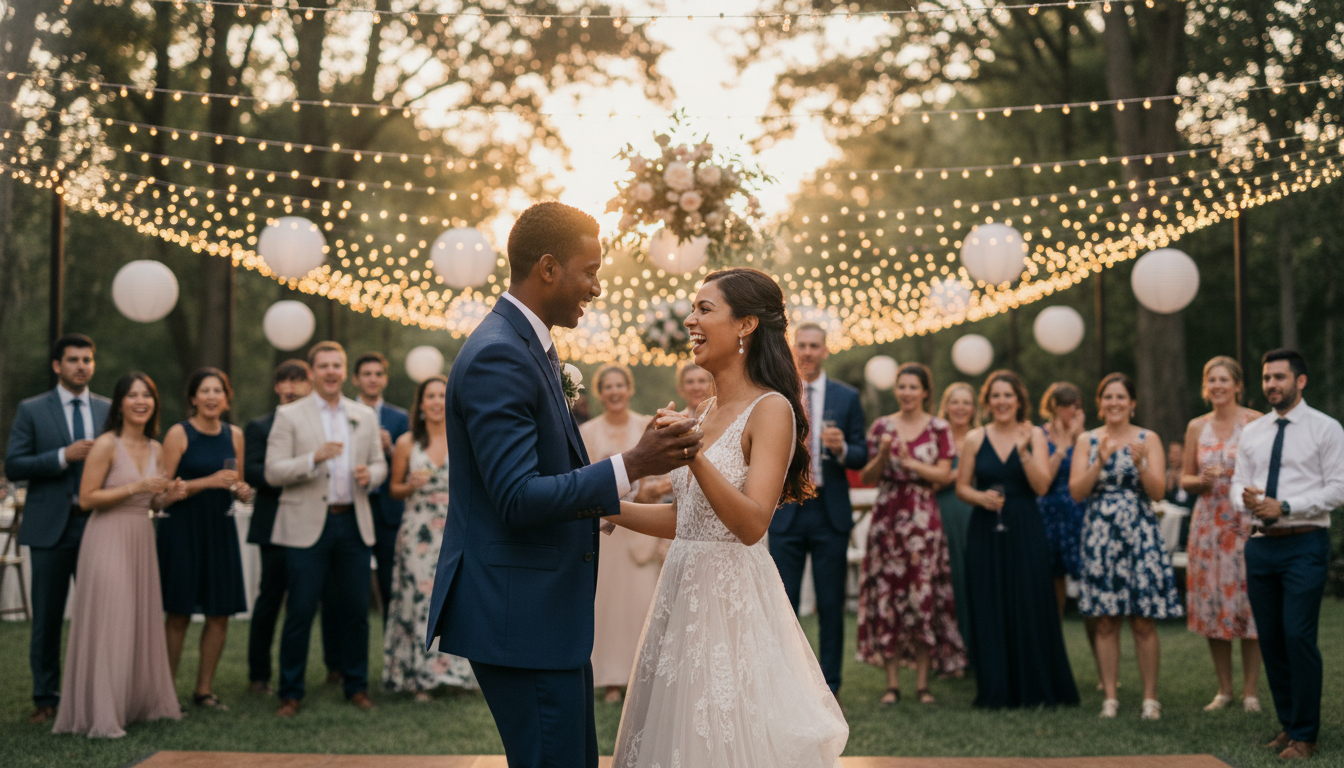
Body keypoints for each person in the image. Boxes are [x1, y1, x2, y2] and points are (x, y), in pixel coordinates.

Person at [424, 202, 700, 768]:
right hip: (518, 614)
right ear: (548, 268)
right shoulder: (499, 354)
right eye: (590, 270)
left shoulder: (529, 347)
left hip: (544, 614)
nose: (596, 287)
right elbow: (519, 497)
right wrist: (634, 462)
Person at [609, 267, 847, 766]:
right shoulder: (702, 409)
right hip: (680, 590)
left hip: (731, 599)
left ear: (745, 325)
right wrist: (605, 507)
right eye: (692, 310)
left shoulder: (771, 409)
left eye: (704, 309)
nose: (690, 321)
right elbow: (687, 520)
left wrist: (692, 454)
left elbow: (751, 523)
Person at [52, 373, 184, 737]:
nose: (140, 401)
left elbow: (152, 502)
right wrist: (137, 486)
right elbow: (87, 498)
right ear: (119, 403)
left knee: (138, 619)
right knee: (112, 618)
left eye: (147, 395)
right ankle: (103, 713)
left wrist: (167, 496)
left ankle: (136, 702)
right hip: (107, 536)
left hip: (141, 536)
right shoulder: (106, 445)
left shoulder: (157, 449)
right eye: (133, 395)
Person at [1232, 349, 1344, 760]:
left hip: (1305, 543)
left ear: (1301, 381)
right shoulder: (1254, 431)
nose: (1271, 385)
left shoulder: (1326, 429)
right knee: (1274, 640)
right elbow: (1237, 483)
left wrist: (1286, 506)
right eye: (1266, 378)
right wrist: (1247, 502)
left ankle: (1306, 735)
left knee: (1298, 635)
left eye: (1279, 377)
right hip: (1261, 546)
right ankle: (1289, 725)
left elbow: (1338, 488)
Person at [265, 340, 387, 717]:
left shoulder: (363, 415)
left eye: (337, 365)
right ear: (312, 372)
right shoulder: (289, 416)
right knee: (300, 610)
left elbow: (380, 464)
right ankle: (290, 691)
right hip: (306, 525)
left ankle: (356, 686)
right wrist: (312, 458)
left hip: (353, 521)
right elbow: (272, 471)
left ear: (343, 370)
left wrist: (373, 475)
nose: (331, 372)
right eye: (324, 366)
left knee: (355, 610)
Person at [955, 371, 1079, 709]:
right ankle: (996, 688)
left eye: (1008, 395)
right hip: (985, 527)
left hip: (1025, 525)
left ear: (1019, 400)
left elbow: (1041, 486)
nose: (1001, 402)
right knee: (989, 602)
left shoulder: (1034, 435)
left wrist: (1023, 452)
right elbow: (962, 486)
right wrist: (980, 498)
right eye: (995, 396)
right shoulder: (975, 438)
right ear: (988, 401)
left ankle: (1034, 687)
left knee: (1028, 601)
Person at [5, 334, 110, 725]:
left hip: (99, 526)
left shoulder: (109, 409)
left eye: (87, 359)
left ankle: (98, 692)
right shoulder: (32, 409)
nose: (81, 366)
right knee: (47, 619)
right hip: (51, 528)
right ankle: (45, 698)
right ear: (57, 366)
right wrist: (61, 457)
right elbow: (15, 464)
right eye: (73, 360)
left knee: (100, 616)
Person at [1069, 373, 1182, 720]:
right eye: (1108, 397)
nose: (1114, 403)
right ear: (1099, 403)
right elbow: (1077, 492)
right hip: (1100, 536)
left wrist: (1141, 464)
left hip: (1140, 534)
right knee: (1105, 620)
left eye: (1121, 397)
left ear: (1132, 404)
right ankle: (1111, 697)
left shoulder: (1149, 439)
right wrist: (1100, 460)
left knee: (1142, 620)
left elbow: (1159, 492)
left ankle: (1150, 698)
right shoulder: (1087, 441)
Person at [769, 322, 868, 697]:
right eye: (803, 346)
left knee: (830, 604)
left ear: (826, 350)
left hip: (830, 510)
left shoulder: (847, 398)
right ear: (794, 350)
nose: (808, 352)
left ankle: (830, 686)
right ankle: (787, 685)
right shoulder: (777, 395)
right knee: (784, 603)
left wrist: (843, 448)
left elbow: (861, 454)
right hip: (786, 507)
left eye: (815, 346)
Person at [857, 362, 965, 706]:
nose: (906, 393)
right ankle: (892, 685)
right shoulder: (881, 427)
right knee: (888, 597)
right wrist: (885, 455)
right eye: (901, 387)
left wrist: (910, 463)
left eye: (912, 387)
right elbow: (869, 477)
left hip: (922, 519)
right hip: (888, 519)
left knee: (922, 597)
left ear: (924, 392)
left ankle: (922, 683)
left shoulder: (939, 428)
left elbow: (945, 476)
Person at [158, 367, 253, 711]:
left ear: (226, 399)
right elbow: (162, 493)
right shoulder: (179, 433)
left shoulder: (235, 435)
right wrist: (206, 482)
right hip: (182, 530)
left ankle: (204, 690)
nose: (212, 397)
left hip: (220, 529)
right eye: (205, 391)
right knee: (179, 613)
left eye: (218, 391)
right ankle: (164, 692)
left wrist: (243, 492)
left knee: (219, 613)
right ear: (194, 398)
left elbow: (236, 484)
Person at [382, 375, 475, 699]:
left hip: (455, 528)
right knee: (419, 600)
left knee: (457, 600)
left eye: (442, 395)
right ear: (421, 404)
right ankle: (419, 678)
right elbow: (393, 489)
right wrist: (409, 486)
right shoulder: (407, 442)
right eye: (430, 396)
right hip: (417, 532)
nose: (436, 401)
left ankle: (458, 676)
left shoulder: (463, 436)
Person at [581, 364, 667, 705]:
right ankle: (609, 680)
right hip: (604, 532)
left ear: (629, 389)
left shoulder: (646, 424)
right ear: (599, 393)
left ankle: (642, 678)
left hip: (642, 529)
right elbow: (581, 481)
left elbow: (662, 476)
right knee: (605, 606)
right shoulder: (586, 431)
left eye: (620, 385)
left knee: (642, 604)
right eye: (608, 387)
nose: (614, 392)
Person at [1180, 356, 1262, 713]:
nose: (1217, 386)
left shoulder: (1256, 423)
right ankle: (1224, 689)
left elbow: (1268, 471)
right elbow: (1183, 477)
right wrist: (1200, 481)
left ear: (1238, 385)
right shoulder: (1197, 427)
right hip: (1208, 525)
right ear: (1205, 386)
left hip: (1243, 524)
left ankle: (1250, 692)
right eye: (1211, 380)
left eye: (1224, 380)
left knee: (1248, 606)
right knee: (1214, 605)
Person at [244, 360, 329, 696]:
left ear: (309, 385)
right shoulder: (260, 426)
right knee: (269, 599)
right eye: (284, 381)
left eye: (298, 381)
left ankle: (331, 669)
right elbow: (252, 471)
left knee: (314, 602)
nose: (291, 387)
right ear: (277, 387)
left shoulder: (322, 425)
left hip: (315, 523)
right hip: (274, 521)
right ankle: (259, 674)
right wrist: (290, 469)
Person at [352, 352, 410, 627]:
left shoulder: (399, 418)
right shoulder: (345, 414)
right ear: (355, 379)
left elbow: (410, 465)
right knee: (353, 588)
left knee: (390, 584)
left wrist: (390, 449)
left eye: (378, 374)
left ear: (384, 379)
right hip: (353, 505)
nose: (373, 379)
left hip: (388, 509)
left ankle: (391, 654)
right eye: (367, 374)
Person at [934, 381, 977, 665]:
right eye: (955, 402)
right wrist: (952, 476)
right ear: (946, 406)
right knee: (949, 581)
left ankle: (977, 650)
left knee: (975, 580)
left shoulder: (981, 437)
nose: (960, 408)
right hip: (944, 513)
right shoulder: (936, 436)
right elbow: (928, 480)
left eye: (966, 402)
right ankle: (948, 651)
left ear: (974, 409)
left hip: (975, 515)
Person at [1037, 382, 1087, 613]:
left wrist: (1077, 438)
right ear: (1054, 407)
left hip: (1077, 509)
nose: (1072, 411)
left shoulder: (1085, 439)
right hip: (1048, 511)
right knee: (1052, 575)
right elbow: (1043, 478)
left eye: (1076, 406)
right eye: (1067, 406)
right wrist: (1063, 445)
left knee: (1084, 571)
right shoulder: (1040, 435)